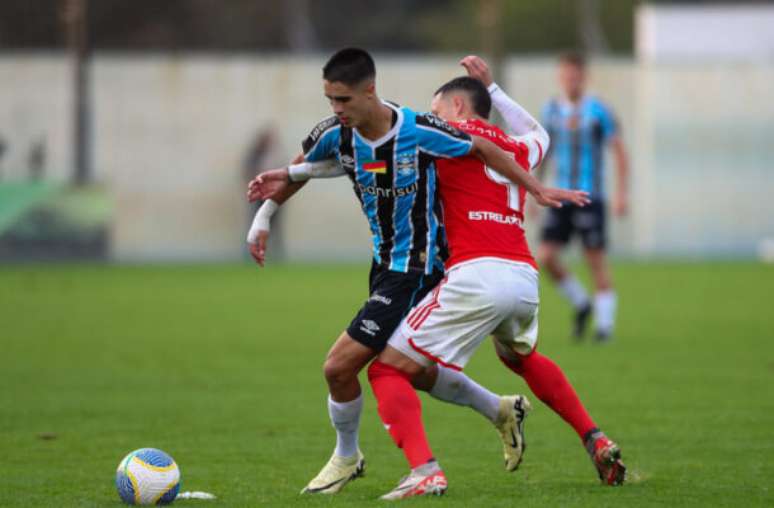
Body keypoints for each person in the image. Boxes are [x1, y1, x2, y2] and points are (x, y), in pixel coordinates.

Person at [246, 48, 588, 495]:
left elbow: (484, 147)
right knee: (414, 371)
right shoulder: (336, 133)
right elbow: (306, 169)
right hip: (385, 267)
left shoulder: (419, 129)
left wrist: (536, 190)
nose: (336, 109)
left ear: (370, 90)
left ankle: (354, 458)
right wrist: (265, 215)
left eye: (344, 99)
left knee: (339, 367)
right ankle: (500, 409)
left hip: (419, 269)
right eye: (330, 99)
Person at [367, 71, 626, 500]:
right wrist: (496, 90)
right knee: (520, 358)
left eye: (436, 110)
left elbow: (386, 162)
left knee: (386, 368)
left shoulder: (443, 138)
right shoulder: (518, 148)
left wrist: (352, 165)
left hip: (475, 275)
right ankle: (594, 437)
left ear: (457, 108)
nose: (433, 117)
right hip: (522, 277)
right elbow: (538, 132)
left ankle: (424, 470)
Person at [537, 52, 629, 341]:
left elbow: (619, 152)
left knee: (595, 259)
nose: (570, 80)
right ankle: (581, 303)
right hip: (560, 196)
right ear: (560, 77)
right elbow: (544, 153)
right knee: (546, 257)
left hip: (591, 197)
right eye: (566, 75)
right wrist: (534, 191)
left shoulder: (599, 111)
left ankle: (604, 328)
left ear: (584, 77)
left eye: (575, 75)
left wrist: (621, 194)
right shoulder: (550, 111)